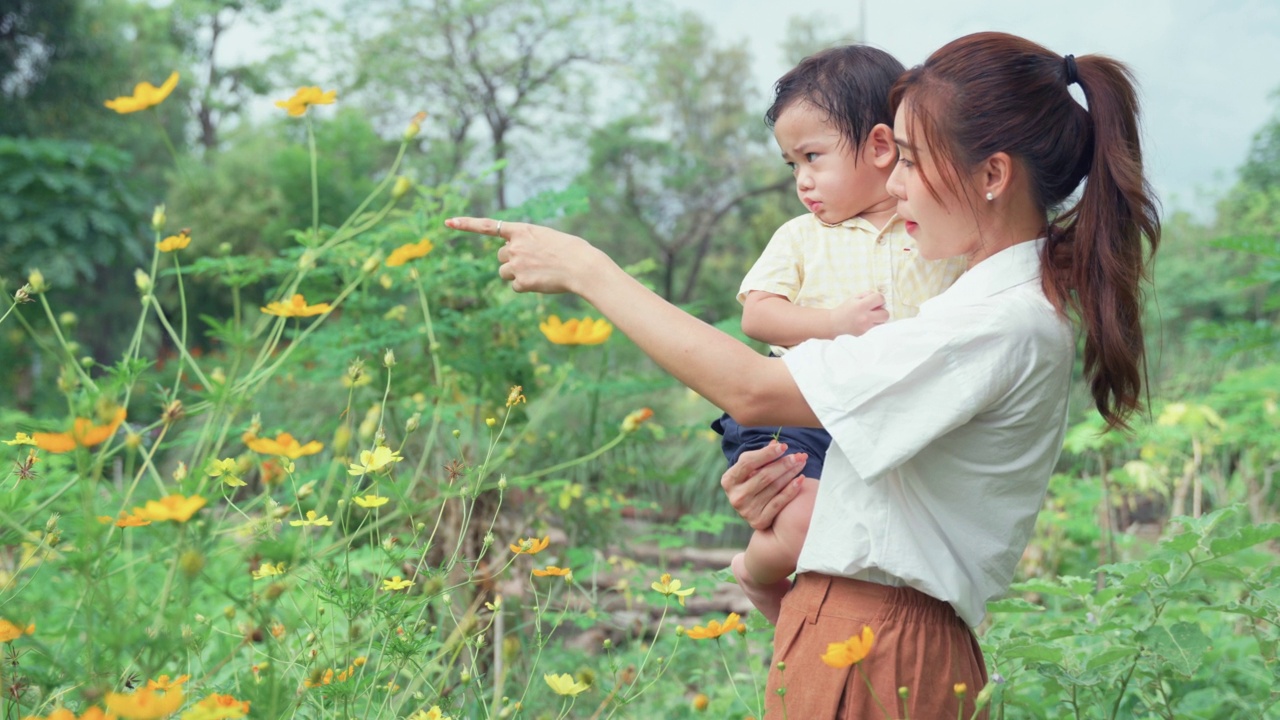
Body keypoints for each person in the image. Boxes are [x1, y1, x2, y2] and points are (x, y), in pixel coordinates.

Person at [447, 30, 1159, 720]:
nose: (894, 181)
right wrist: (787, 535)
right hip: (849, 629)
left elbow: (754, 390)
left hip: (881, 642)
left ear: (992, 175)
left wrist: (588, 271)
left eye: (909, 159)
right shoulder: (975, 306)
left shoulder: (993, 324)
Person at [713, 45, 965, 626]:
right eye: (791, 165)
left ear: (881, 147)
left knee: (869, 528)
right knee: (804, 518)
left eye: (812, 157)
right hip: (795, 414)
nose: (803, 181)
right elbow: (759, 316)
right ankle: (756, 574)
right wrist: (832, 324)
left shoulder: (929, 230)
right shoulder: (803, 236)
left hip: (877, 416)